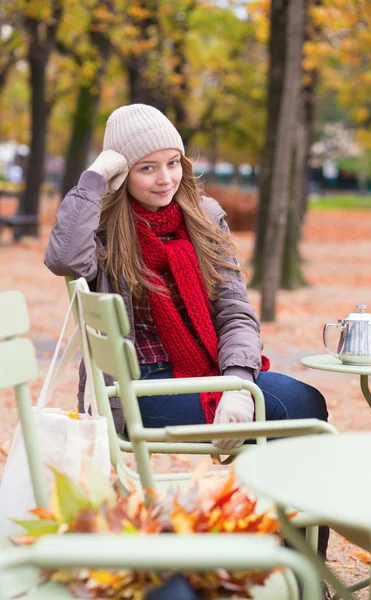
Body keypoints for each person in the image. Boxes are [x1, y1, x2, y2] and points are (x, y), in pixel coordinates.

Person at [44, 105, 330, 582]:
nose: (165, 179)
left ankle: (290, 560)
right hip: (137, 390)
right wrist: (94, 176)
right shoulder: (101, 229)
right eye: (146, 167)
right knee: (301, 411)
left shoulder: (204, 217)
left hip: (204, 373)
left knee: (302, 407)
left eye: (173, 162)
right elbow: (63, 259)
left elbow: (235, 310)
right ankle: (299, 570)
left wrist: (238, 382)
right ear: (121, 173)